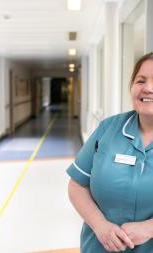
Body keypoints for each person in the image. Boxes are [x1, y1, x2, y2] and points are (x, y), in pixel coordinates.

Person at [67, 52, 153, 252]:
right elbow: (77, 186)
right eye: (141, 80)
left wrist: (149, 228)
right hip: (99, 246)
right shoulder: (108, 128)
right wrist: (100, 226)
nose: (148, 88)